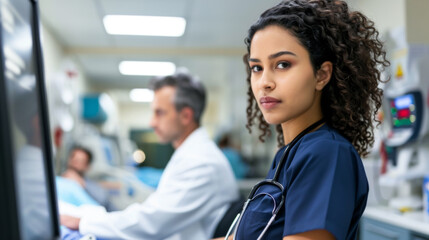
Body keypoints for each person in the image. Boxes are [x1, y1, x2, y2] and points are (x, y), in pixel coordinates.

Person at [217, 0, 390, 239]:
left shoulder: (326, 153)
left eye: (283, 64)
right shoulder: (288, 154)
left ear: (322, 75)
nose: (265, 82)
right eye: (257, 68)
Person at [61, 72, 239, 240]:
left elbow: (152, 223)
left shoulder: (200, 161)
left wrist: (82, 222)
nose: (152, 122)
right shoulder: (191, 154)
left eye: (159, 113)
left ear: (186, 115)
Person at [59, 145, 115, 210]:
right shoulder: (59, 182)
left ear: (87, 166)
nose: (75, 164)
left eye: (80, 161)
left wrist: (82, 184)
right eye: (74, 159)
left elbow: (104, 201)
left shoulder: (91, 188)